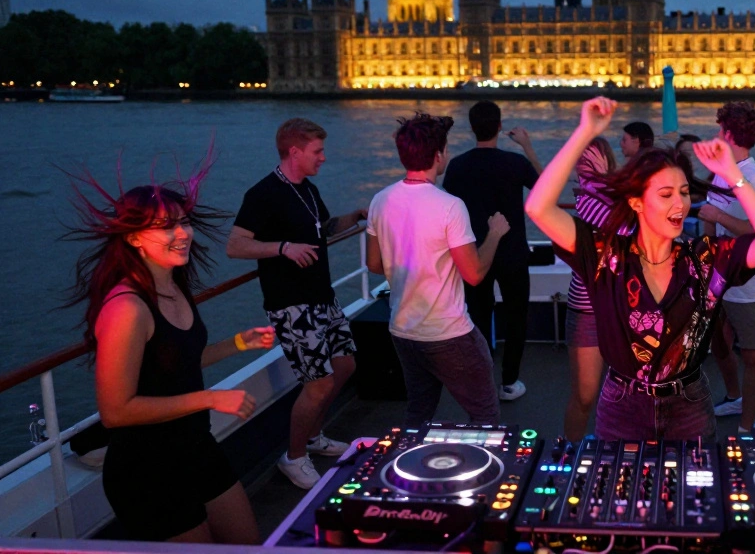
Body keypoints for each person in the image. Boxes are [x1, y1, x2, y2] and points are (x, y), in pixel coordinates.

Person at [526, 98, 755, 440]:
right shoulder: (607, 256)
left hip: (689, 406)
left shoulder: (704, 260)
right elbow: (538, 207)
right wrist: (585, 132)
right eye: (665, 194)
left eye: (682, 192)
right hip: (622, 405)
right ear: (636, 202)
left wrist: (734, 175)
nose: (680, 203)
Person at [70, 166, 274, 543]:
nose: (182, 234)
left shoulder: (174, 285)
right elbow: (115, 412)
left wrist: (239, 343)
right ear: (133, 238)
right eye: (165, 227)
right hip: (147, 469)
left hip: (195, 446)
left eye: (183, 222)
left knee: (248, 544)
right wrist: (210, 398)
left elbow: (174, 366)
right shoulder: (126, 308)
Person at [227, 118, 366, 489]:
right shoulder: (264, 194)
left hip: (323, 296)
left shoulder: (308, 189)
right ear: (294, 152)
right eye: (317, 151)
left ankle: (314, 435)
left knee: (345, 366)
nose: (323, 157)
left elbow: (323, 228)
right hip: (291, 304)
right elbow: (235, 244)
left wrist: (354, 217)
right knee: (318, 384)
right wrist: (283, 248)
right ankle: (294, 457)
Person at [366, 113, 507, 428]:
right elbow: (474, 274)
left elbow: (374, 264)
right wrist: (495, 234)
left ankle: (408, 474)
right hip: (449, 333)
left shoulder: (380, 200)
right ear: (438, 155)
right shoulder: (449, 206)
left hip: (403, 329)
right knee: (485, 416)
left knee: (418, 414)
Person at [443, 101, 542, 402]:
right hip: (512, 251)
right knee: (516, 317)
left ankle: (482, 379)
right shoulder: (515, 163)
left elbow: (447, 205)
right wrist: (526, 146)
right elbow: (545, 189)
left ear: (472, 128)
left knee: (478, 316)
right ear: (500, 126)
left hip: (473, 252)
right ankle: (509, 381)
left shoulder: (457, 165)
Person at [701, 101, 755, 433]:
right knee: (718, 342)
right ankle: (733, 395)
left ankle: (746, 425)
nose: (716, 135)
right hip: (718, 275)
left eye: (720, 129)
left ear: (729, 134)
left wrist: (718, 217)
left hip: (744, 282)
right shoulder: (721, 170)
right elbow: (708, 215)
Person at [562, 137, 620, 441]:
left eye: (592, 155)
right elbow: (622, 228)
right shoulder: (586, 200)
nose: (585, 160)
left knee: (625, 395)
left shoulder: (618, 194)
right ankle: (569, 456)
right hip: (587, 310)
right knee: (584, 397)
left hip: (622, 309)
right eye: (579, 156)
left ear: (607, 159)